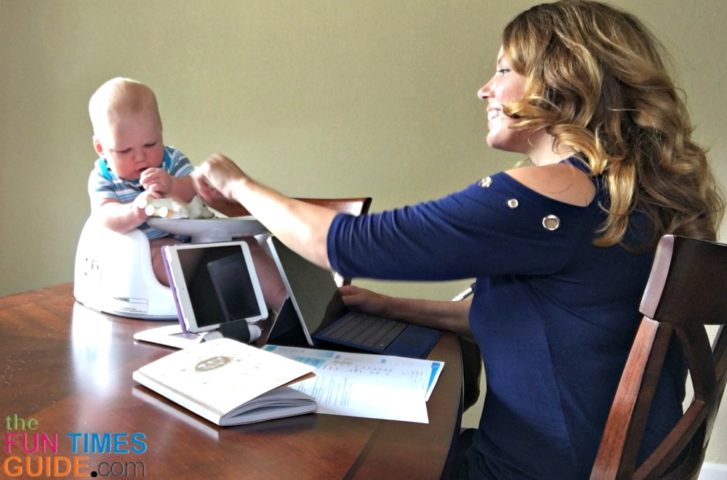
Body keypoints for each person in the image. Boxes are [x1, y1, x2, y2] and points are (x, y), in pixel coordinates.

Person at [191, 1, 724, 477]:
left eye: (503, 70)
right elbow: (549, 322)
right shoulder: (632, 199)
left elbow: (347, 244)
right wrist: (389, 306)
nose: (484, 89)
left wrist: (240, 186)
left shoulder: (551, 196)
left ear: (561, 80)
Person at [87, 77, 196, 286]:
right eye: (125, 151)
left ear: (160, 131)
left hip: (191, 241)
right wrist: (136, 210)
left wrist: (173, 185)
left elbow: (195, 189)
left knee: (244, 246)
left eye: (150, 144)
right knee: (167, 257)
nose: (140, 157)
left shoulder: (172, 160)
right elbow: (105, 216)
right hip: (143, 251)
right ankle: (193, 295)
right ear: (101, 148)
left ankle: (271, 299)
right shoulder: (103, 177)